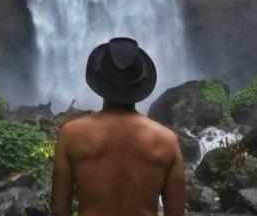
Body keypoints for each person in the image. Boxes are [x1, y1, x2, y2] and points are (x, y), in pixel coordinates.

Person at [51, 37, 185, 216]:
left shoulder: (71, 134)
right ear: (141, 83)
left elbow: (59, 211)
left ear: (98, 78)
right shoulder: (167, 141)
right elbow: (176, 214)